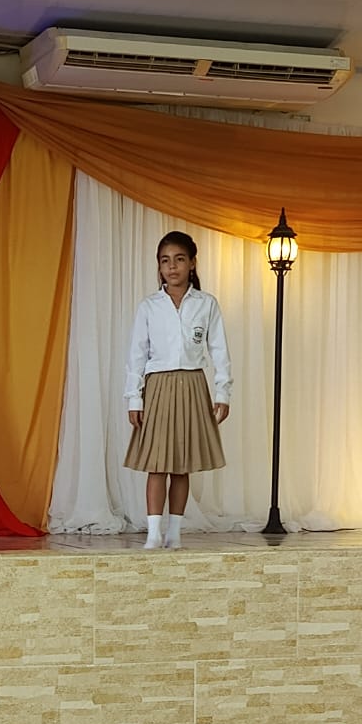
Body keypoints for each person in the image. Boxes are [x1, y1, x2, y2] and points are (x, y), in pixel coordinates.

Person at [123, 230, 232, 549]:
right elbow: (137, 354)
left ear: (192, 263)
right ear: (159, 266)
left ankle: (174, 532)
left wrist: (222, 393)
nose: (172, 267)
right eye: (165, 261)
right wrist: (134, 398)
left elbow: (219, 350)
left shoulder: (206, 304)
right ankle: (153, 533)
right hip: (157, 387)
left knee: (182, 464)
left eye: (179, 259)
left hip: (193, 385)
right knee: (157, 463)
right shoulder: (149, 306)